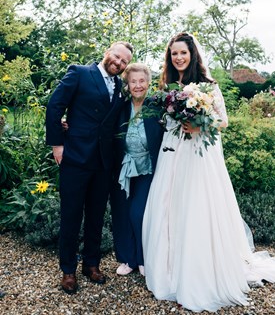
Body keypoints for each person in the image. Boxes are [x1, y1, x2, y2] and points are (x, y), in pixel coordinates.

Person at [142, 32, 275, 312]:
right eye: (174, 53)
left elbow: (222, 120)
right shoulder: (166, 85)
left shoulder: (206, 84)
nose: (178, 57)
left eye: (183, 53)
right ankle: (169, 272)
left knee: (195, 208)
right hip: (172, 151)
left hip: (198, 155)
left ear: (192, 55)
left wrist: (199, 125)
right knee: (170, 207)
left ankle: (197, 276)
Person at [46, 41, 133, 294]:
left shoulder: (120, 86)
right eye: (117, 57)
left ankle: (91, 264)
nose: (118, 63)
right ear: (108, 52)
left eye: (124, 62)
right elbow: (55, 106)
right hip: (75, 157)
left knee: (96, 216)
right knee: (71, 215)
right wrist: (57, 144)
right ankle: (68, 270)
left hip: (104, 162)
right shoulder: (80, 73)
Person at [110, 63, 164, 276]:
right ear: (128, 84)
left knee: (138, 213)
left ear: (148, 83)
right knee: (122, 213)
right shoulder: (121, 107)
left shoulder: (157, 106)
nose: (138, 85)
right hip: (123, 167)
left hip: (148, 168)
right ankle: (127, 259)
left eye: (142, 81)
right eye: (133, 81)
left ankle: (143, 258)